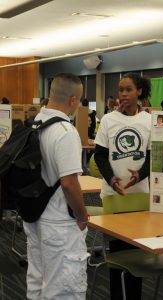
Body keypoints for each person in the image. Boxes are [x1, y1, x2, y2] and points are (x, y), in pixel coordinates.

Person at [23, 73, 89, 300]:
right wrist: (82, 216)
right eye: (78, 100)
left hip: (34, 216)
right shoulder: (65, 132)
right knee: (64, 288)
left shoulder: (34, 124)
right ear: (72, 100)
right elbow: (69, 183)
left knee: (37, 280)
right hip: (59, 223)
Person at [94, 72, 151, 300]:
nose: (123, 94)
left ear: (139, 92)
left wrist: (140, 175)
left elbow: (152, 156)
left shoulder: (148, 120)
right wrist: (111, 179)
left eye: (128, 89)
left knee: (136, 256)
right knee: (117, 257)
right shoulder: (108, 120)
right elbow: (99, 156)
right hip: (113, 196)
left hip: (140, 196)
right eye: (120, 90)